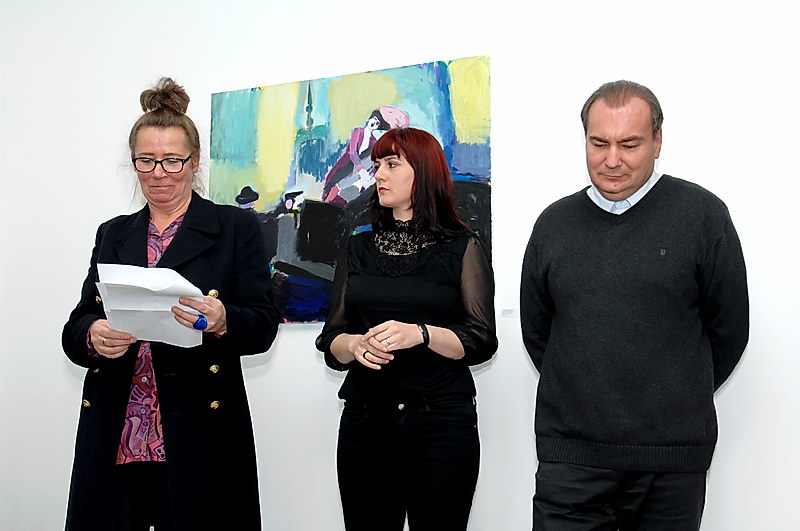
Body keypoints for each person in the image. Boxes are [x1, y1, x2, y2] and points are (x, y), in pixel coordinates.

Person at [520, 80, 749, 530]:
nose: (612, 159)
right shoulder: (553, 224)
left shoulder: (703, 216)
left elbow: (729, 330)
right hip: (571, 460)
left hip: (671, 462)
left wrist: (674, 391)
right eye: (598, 143)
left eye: (629, 144)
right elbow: (538, 332)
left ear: (657, 141)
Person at [62, 77, 281, 531]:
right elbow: (79, 322)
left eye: (172, 161)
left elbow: (262, 324)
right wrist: (92, 334)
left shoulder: (234, 227)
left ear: (195, 162)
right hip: (118, 431)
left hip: (199, 431)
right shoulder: (113, 232)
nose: (158, 173)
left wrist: (222, 320)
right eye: (145, 161)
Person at [316, 127, 497, 531]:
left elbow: (481, 339)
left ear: (424, 172)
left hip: (440, 424)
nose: (379, 174)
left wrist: (422, 334)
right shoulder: (357, 247)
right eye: (377, 164)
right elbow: (331, 340)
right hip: (365, 423)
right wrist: (355, 345)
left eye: (392, 164)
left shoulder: (462, 247)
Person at [322, 106, 410, 204]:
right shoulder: (357, 132)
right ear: (370, 118)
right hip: (348, 165)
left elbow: (374, 162)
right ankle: (327, 201)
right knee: (338, 185)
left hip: (361, 171)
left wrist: (369, 176)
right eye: (374, 120)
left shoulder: (374, 141)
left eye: (377, 123)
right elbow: (352, 153)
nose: (374, 123)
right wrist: (360, 169)